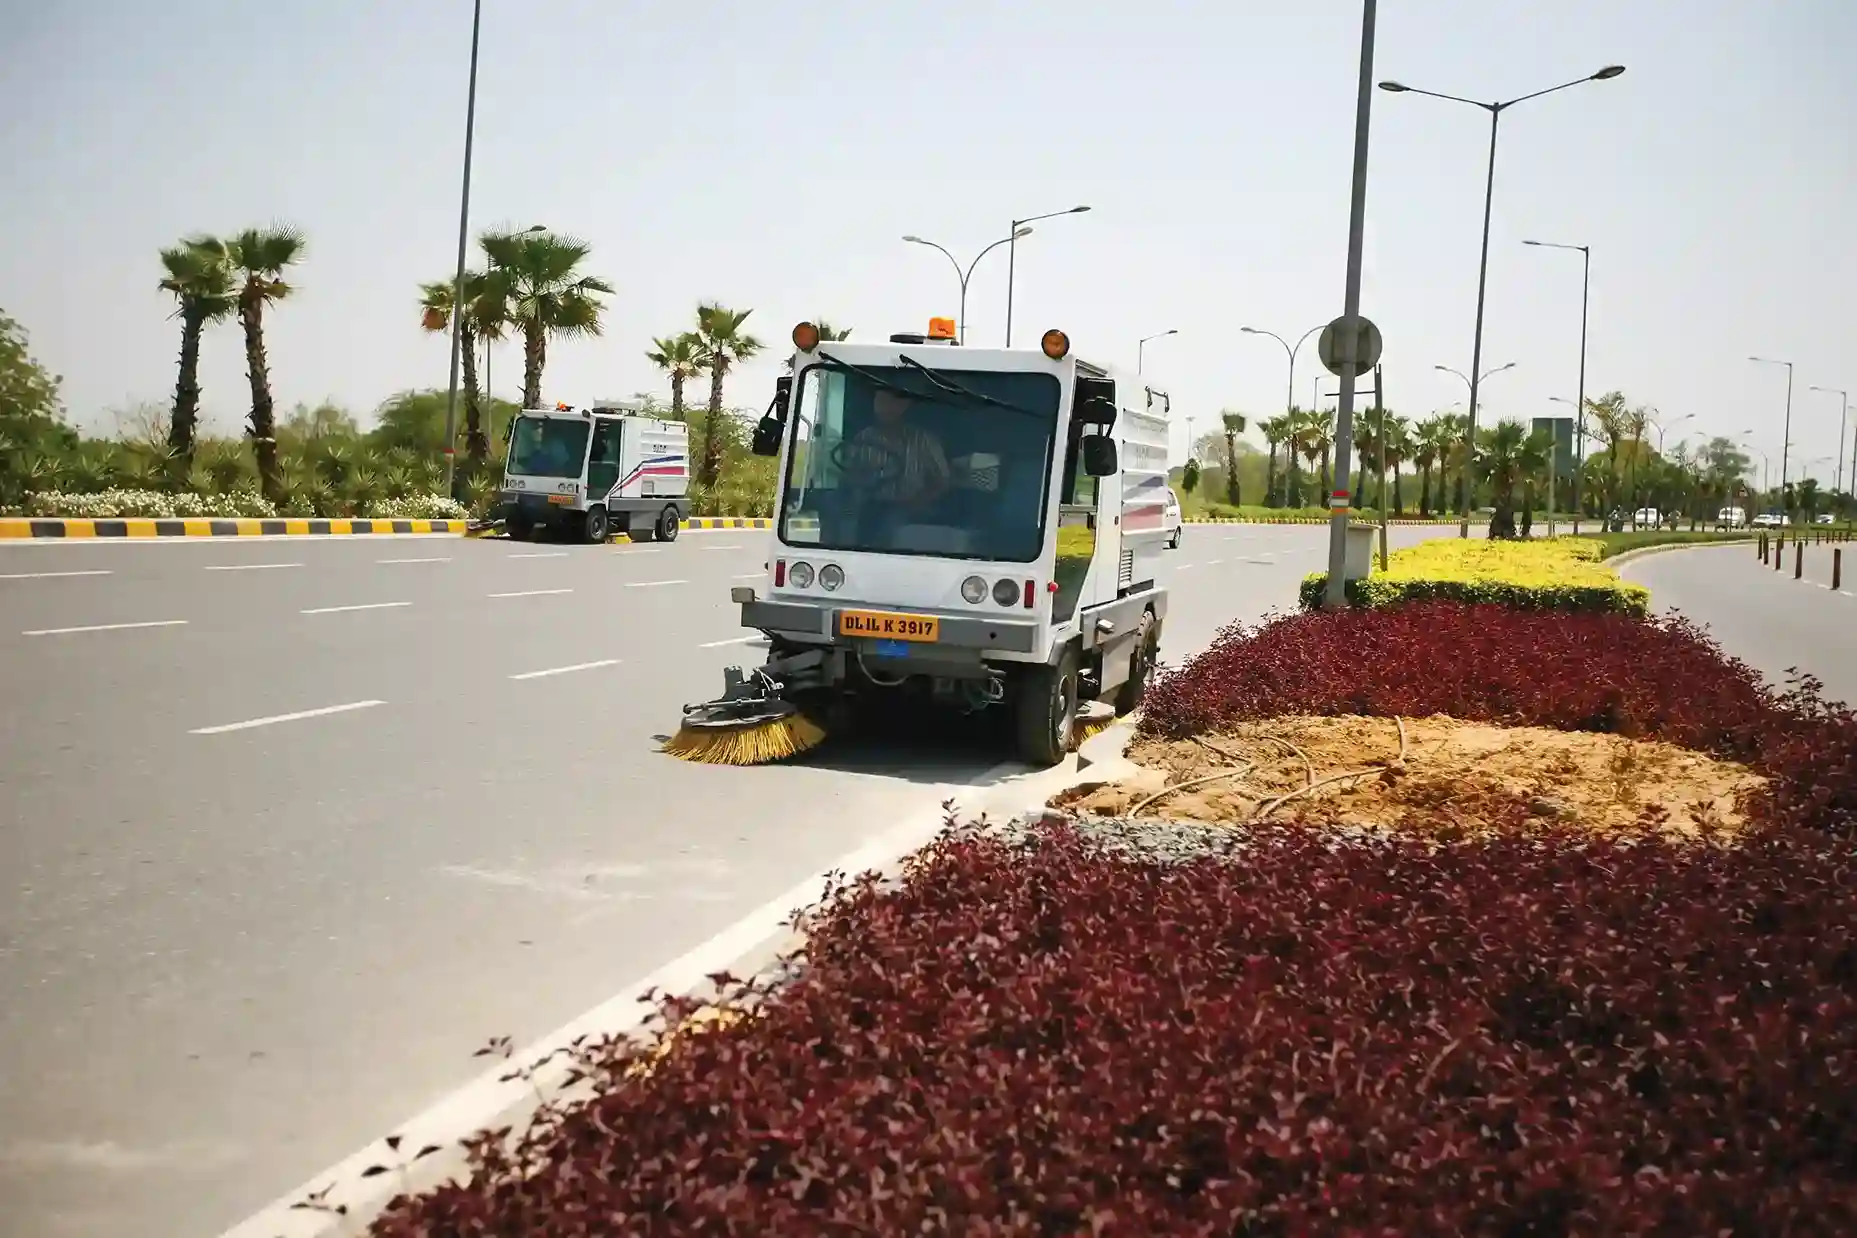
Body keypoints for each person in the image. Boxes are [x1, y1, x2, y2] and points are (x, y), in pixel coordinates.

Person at [846, 388, 951, 542]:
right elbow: (851, 477)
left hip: (914, 511)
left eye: (891, 402)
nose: (885, 407)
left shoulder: (924, 440)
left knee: (893, 525)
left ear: (905, 405)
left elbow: (943, 481)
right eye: (880, 401)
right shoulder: (863, 438)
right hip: (871, 509)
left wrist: (915, 503)